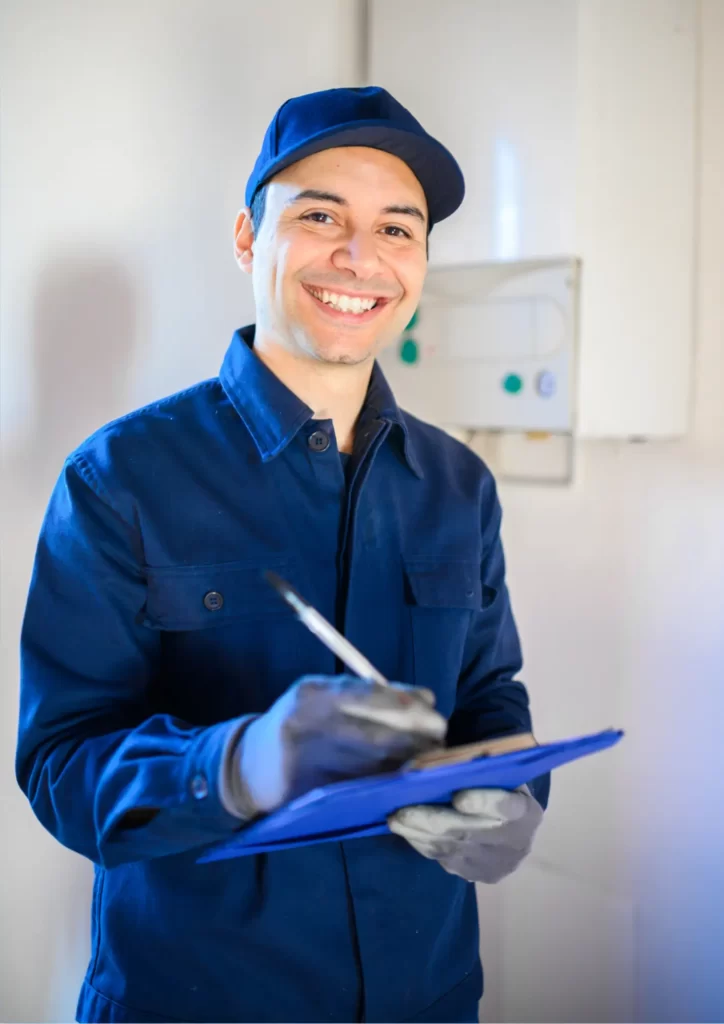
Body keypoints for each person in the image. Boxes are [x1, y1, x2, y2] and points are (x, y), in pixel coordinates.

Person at [16, 86, 549, 1024]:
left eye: (397, 228)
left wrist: (515, 793)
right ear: (245, 238)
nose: (360, 256)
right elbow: (61, 762)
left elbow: (490, 693)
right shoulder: (120, 478)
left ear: (421, 262)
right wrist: (240, 763)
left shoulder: (460, 485)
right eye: (319, 216)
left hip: (427, 995)